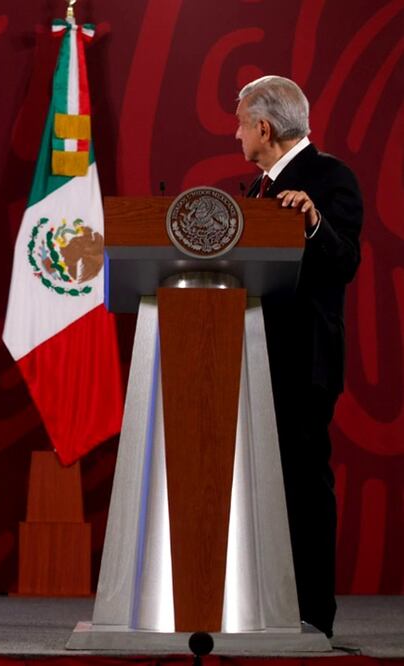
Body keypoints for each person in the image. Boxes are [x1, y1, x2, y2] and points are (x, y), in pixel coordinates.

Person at [234, 75, 363, 638]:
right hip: (255, 355)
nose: (235, 134)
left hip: (303, 361)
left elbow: (343, 261)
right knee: (259, 487)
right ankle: (263, 608)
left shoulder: (330, 178)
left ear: (263, 127)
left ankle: (313, 615)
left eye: (240, 122)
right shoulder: (256, 191)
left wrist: (313, 221)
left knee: (302, 487)